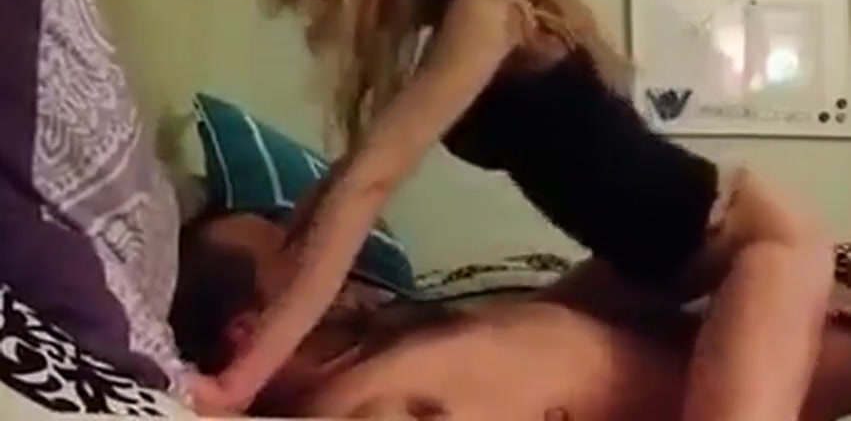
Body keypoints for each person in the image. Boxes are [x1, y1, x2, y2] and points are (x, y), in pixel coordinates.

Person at [188, 0, 834, 419]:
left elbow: (370, 183)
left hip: (748, 238)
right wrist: (295, 243)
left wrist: (238, 383)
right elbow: (352, 175)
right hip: (649, 261)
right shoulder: (454, 22)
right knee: (523, 328)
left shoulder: (488, 5)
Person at [173, 211, 851, 420]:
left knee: (748, 221)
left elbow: (563, 323)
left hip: (719, 334)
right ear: (246, 333)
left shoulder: (396, 343)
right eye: (293, 253)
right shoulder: (360, 403)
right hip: (773, 374)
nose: (330, 258)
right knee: (783, 243)